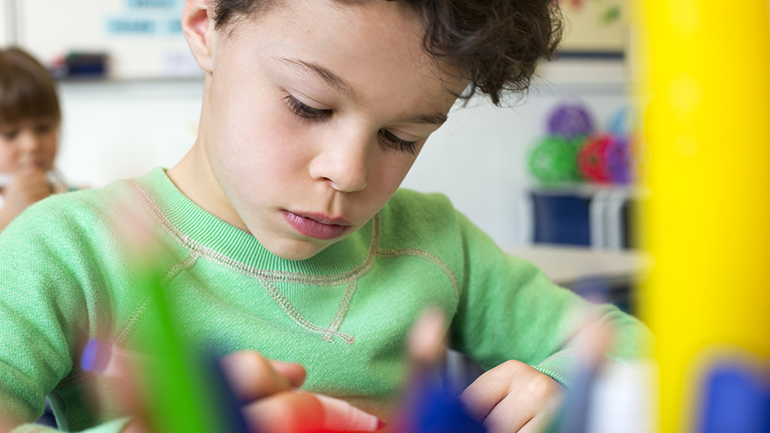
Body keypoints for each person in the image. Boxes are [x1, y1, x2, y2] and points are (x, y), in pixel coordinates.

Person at [0, 0, 655, 432]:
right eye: (308, 105)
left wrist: (567, 390)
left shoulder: (436, 243)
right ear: (205, 26)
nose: (348, 172)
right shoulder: (67, 250)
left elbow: (631, 344)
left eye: (403, 136)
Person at [0, 47, 68, 233]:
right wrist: (8, 215)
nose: (32, 144)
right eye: (10, 134)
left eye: (43, 128)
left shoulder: (69, 194)